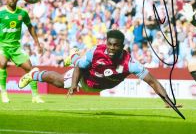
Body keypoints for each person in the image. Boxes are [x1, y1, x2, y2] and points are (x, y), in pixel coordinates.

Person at [18, 30, 181, 109]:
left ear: (122, 46)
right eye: (109, 44)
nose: (111, 48)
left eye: (116, 45)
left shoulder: (130, 63)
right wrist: (74, 84)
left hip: (100, 83)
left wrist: (169, 103)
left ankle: (73, 55)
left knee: (78, 61)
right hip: (85, 78)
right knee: (61, 82)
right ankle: (35, 74)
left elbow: (152, 82)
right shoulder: (96, 51)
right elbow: (79, 68)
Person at [0, 0, 44, 103]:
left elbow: (30, 26)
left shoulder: (22, 13)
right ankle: (4, 93)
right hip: (2, 46)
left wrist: (37, 43)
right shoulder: (1, 13)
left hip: (16, 47)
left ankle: (35, 96)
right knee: (2, 63)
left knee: (30, 69)